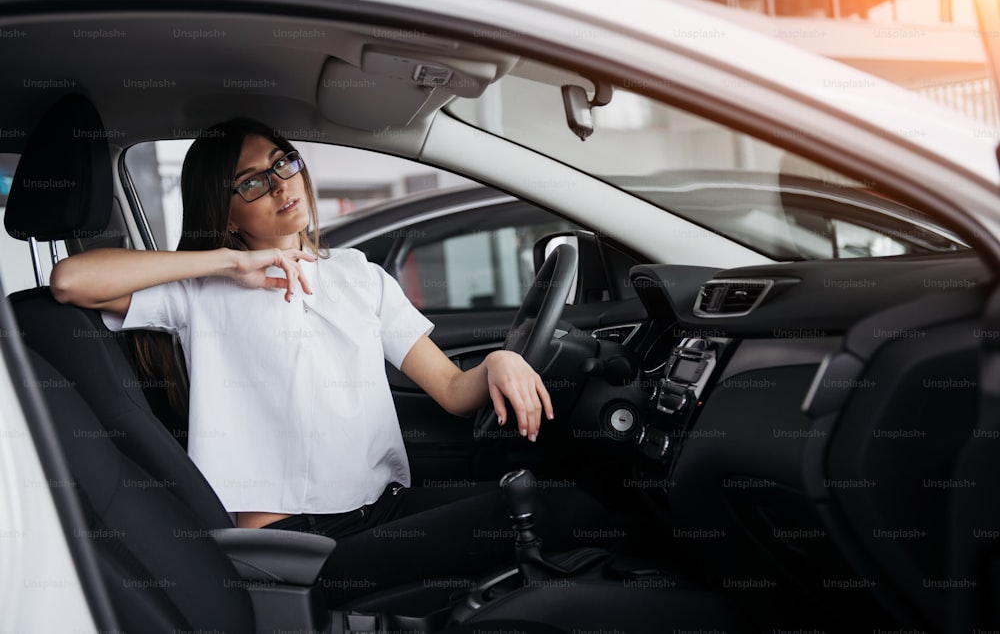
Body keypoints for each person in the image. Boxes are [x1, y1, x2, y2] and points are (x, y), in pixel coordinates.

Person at [50, 118, 610, 600]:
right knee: (544, 514)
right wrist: (226, 263)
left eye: (283, 163)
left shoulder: (360, 277)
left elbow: (452, 391)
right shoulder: (201, 289)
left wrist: (497, 364)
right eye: (252, 182)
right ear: (226, 216)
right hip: (291, 544)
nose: (280, 185)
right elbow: (70, 281)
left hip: (380, 512)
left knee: (561, 501)